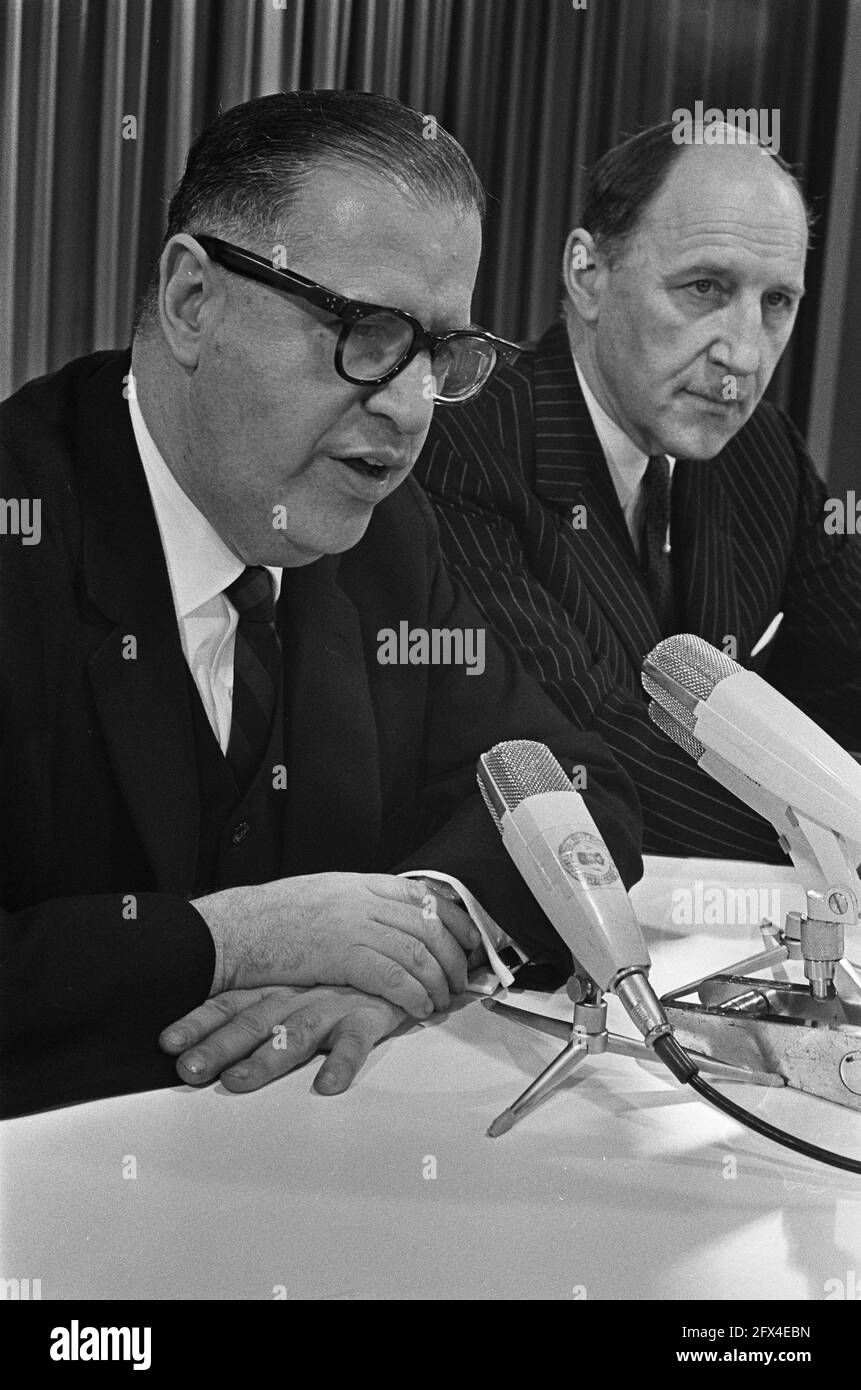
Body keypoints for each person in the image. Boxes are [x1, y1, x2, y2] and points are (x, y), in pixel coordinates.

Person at [0, 91, 642, 1119]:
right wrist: (233, 942)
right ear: (191, 300)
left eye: (439, 355)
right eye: (367, 333)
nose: (407, 404)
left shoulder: (386, 533)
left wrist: (417, 937)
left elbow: (578, 791)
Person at [415, 121, 861, 862]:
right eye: (704, 288)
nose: (742, 355)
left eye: (776, 301)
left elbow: (846, 674)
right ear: (587, 274)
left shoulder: (761, 451)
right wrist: (835, 841)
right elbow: (592, 754)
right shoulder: (467, 445)